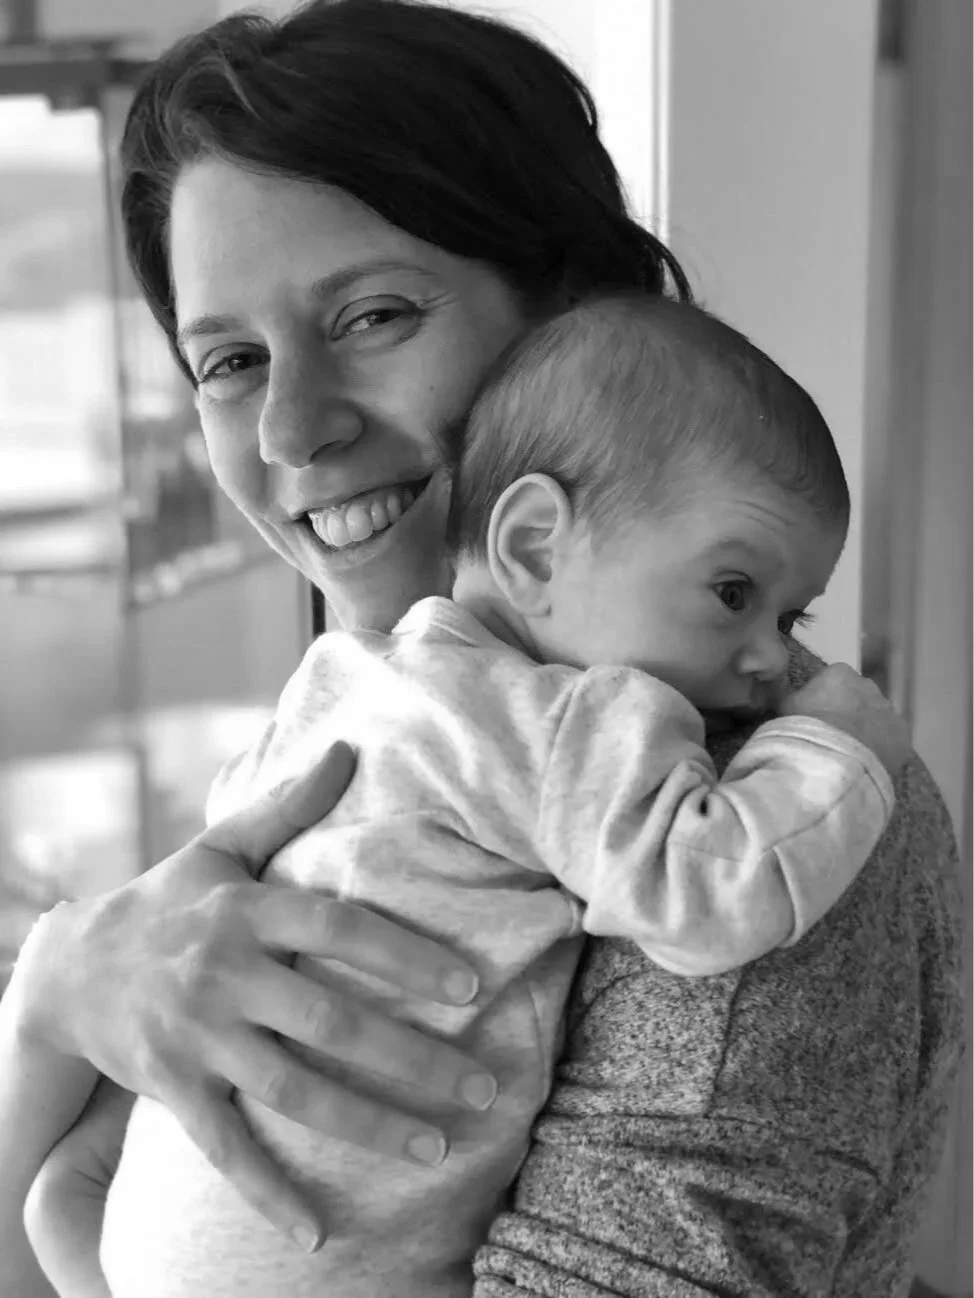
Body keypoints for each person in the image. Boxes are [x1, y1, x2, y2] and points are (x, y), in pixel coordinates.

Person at [0, 2, 961, 1296]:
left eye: (372, 316)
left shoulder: (763, 812)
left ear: (572, 312)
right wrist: (57, 995)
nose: (290, 429)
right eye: (228, 360)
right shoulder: (378, 708)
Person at [91, 293, 903, 1298]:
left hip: (152, 1235)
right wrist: (836, 746)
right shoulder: (564, 718)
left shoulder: (346, 678)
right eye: (732, 592)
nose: (771, 659)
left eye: (791, 616)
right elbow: (712, 893)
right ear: (532, 548)